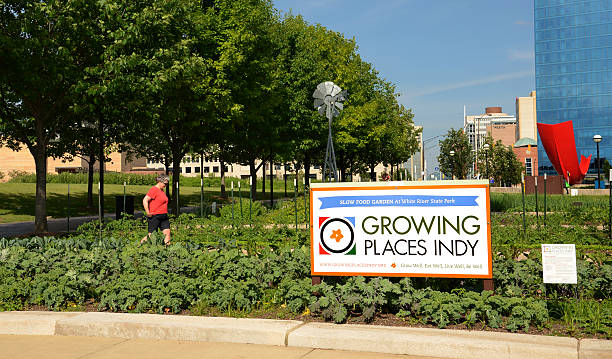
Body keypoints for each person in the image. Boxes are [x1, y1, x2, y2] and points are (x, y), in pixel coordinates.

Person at [141, 175, 171, 245]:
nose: (166, 185)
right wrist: (147, 212)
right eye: (165, 184)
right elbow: (145, 200)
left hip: (164, 216)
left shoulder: (161, 190)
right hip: (155, 216)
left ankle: (169, 251)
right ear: (160, 182)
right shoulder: (154, 189)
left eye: (167, 184)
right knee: (151, 236)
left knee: (167, 234)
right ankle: (140, 246)